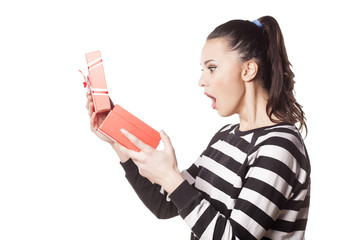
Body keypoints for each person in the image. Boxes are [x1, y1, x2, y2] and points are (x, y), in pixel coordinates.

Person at [86, 16, 311, 240]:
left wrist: (171, 178)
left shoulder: (279, 147)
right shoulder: (225, 137)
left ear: (248, 70)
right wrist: (118, 142)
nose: (202, 81)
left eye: (212, 68)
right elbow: (165, 205)